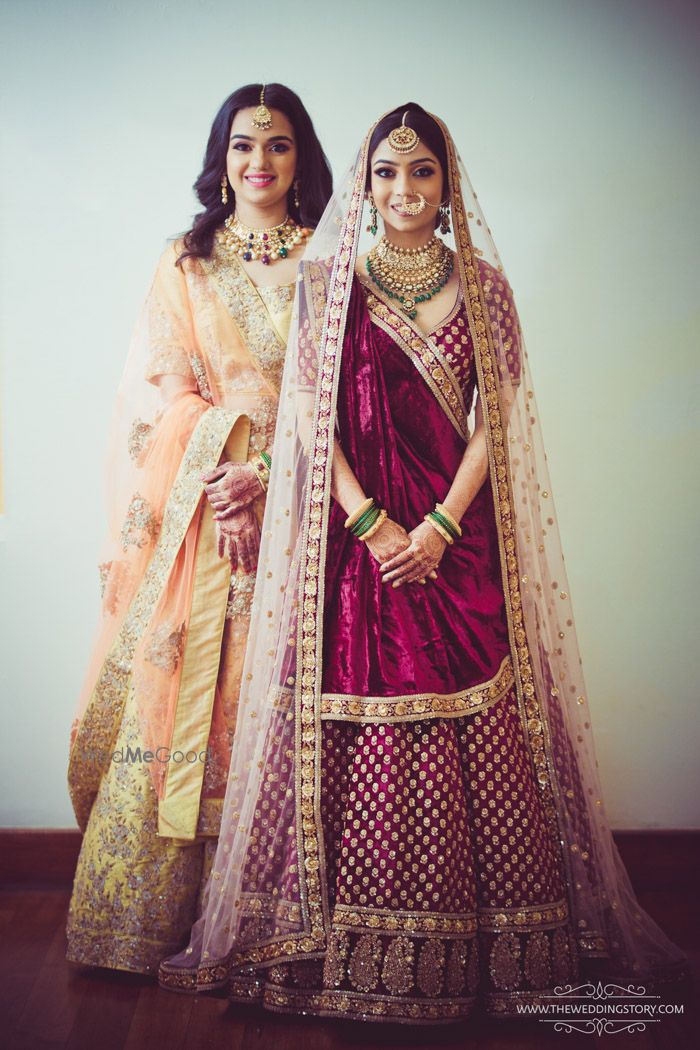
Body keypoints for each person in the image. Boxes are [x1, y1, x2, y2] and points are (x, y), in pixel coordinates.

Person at [158, 105, 689, 1022]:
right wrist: (370, 523)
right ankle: (350, 946)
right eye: (387, 174)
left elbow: (497, 421)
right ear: (363, 186)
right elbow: (309, 425)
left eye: (423, 174)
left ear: (448, 187)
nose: (404, 192)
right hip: (362, 549)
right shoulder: (330, 289)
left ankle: (495, 947)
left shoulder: (485, 287)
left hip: (458, 540)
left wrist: (440, 526)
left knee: (476, 704)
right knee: (369, 711)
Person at [66, 83, 332, 975]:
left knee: (288, 688)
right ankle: (156, 920)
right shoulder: (186, 261)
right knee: (193, 697)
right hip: (208, 516)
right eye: (244, 145)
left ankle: (274, 920)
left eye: (280, 145)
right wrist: (222, 475)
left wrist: (270, 473)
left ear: (303, 160)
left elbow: (343, 399)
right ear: (221, 158)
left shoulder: (331, 262)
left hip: (308, 507)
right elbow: (161, 393)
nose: (260, 162)